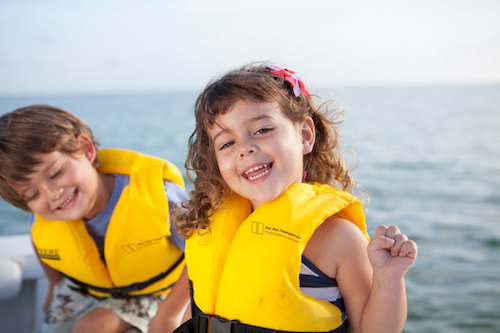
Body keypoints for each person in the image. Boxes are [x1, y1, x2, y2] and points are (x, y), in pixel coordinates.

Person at [173, 63, 418, 333]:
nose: (245, 149)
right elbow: (197, 315)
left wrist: (388, 279)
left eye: (262, 130)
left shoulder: (339, 238)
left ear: (304, 135)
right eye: (227, 143)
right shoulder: (210, 226)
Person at [0, 105, 190, 333]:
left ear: (86, 149)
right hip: (88, 287)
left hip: (159, 288)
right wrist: (54, 284)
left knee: (91, 328)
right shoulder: (46, 214)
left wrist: (169, 313)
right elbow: (41, 244)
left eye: (55, 173)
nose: (52, 194)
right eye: (33, 194)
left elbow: (199, 257)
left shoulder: (160, 198)